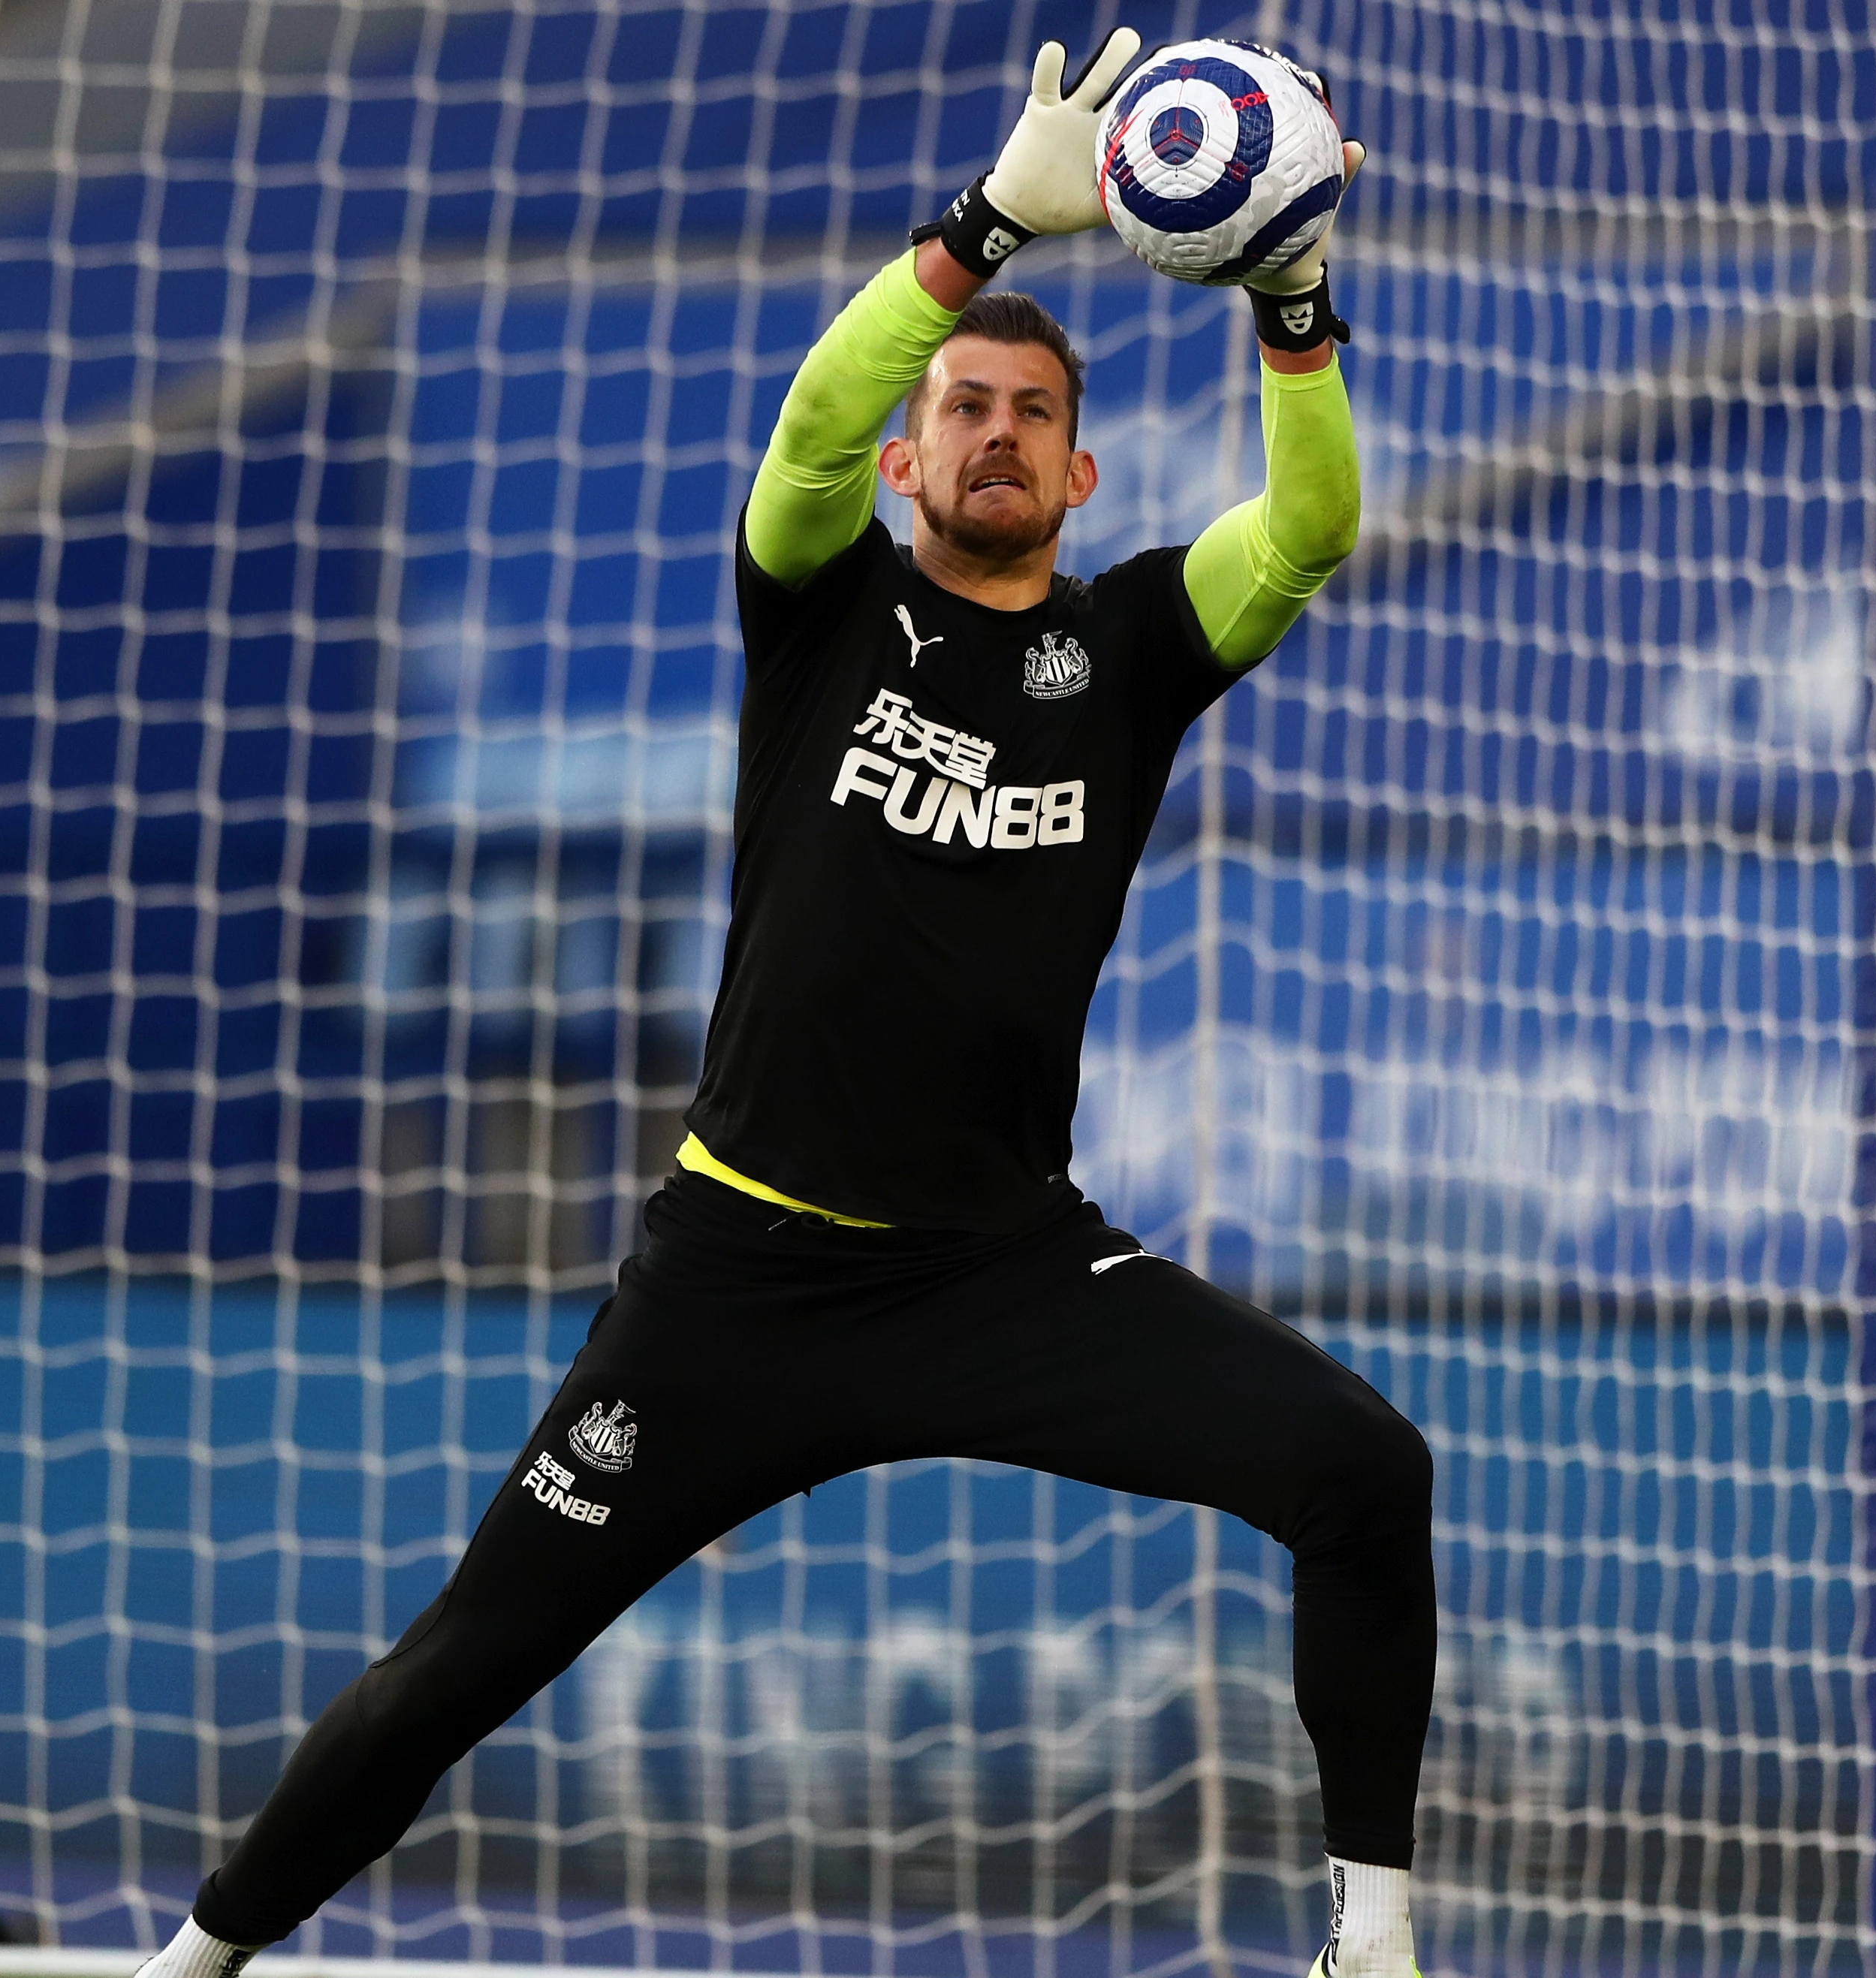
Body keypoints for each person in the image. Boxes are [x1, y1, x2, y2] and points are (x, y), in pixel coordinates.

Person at [140, 35, 1430, 1978]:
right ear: (914, 461)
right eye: (961, 409)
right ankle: (190, 1965)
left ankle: (1376, 1937)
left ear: (1080, 474)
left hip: (1002, 1277)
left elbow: (1311, 530)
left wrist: (1294, 307)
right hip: (739, 1281)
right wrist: (986, 222)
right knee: (455, 1673)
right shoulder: (819, 599)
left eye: (1028, 417)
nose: (988, 434)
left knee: (1365, 1469)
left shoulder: (1137, 649)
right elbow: (814, 423)